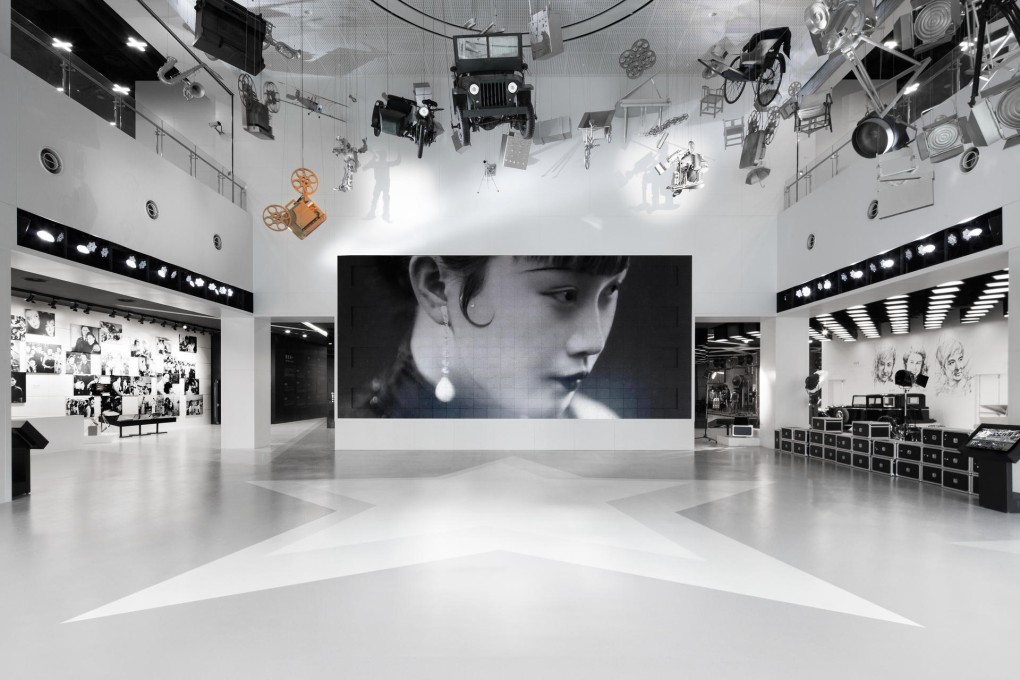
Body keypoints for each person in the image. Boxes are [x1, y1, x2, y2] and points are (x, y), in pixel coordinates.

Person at [351, 256, 630, 419]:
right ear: (436, 287)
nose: (594, 342)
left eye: (612, 289)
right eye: (566, 294)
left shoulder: (597, 425)